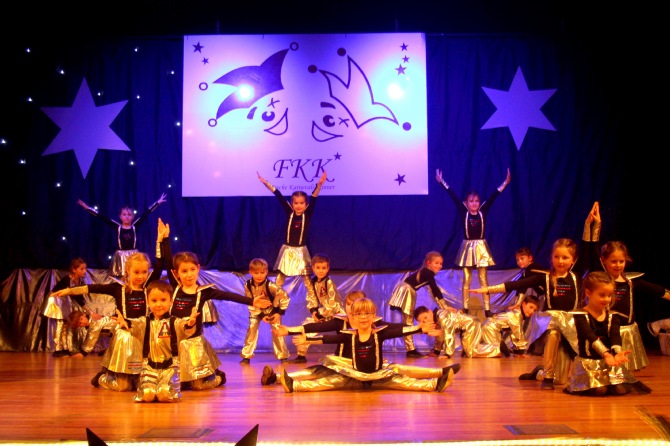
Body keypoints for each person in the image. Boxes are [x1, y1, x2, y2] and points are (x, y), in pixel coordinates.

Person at [472, 202, 599, 390]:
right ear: (552, 257)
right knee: (553, 334)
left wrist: (591, 226)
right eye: (556, 257)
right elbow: (516, 284)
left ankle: (539, 372)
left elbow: (588, 249)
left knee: (561, 381)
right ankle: (547, 376)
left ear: (573, 260)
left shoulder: (575, 275)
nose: (560, 261)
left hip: (572, 323)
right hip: (553, 321)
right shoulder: (545, 277)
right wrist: (488, 289)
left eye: (565, 257)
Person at [53, 219, 170, 391]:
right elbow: (93, 287)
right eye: (136, 272)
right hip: (125, 337)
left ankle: (137, 377)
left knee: (142, 384)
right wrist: (69, 291)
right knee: (122, 387)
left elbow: (159, 265)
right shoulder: (118, 288)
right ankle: (102, 378)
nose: (140, 276)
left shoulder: (148, 287)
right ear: (127, 271)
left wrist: (160, 240)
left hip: (144, 336)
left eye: (144, 272)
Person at [265, 290, 458, 387]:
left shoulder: (374, 325)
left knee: (398, 370)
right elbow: (316, 328)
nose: (352, 309)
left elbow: (395, 329)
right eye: (349, 305)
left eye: (357, 306)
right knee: (318, 372)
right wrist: (288, 331)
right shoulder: (340, 322)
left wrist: (419, 329)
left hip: (366, 365)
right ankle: (278, 378)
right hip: (341, 363)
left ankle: (439, 373)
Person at [164, 246, 272, 390]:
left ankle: (219, 377)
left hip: (193, 344)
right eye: (184, 271)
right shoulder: (175, 287)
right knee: (180, 385)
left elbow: (227, 295)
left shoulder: (203, 292)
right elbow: (167, 261)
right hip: (175, 342)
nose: (189, 274)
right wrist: (163, 240)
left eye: (192, 269)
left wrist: (251, 301)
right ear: (176, 273)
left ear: (198, 268)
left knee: (198, 386)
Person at [435, 167, 511, 317]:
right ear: (466, 203)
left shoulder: (482, 211)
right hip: (468, 247)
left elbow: (494, 195)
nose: (474, 203)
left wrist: (506, 182)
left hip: (481, 247)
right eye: (471, 201)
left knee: (483, 279)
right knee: (467, 279)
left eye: (477, 201)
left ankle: (487, 309)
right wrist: (441, 181)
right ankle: (466, 307)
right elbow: (452, 195)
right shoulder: (464, 211)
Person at [592, 239, 670, 371]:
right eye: (613, 261)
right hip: (608, 330)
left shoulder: (630, 280)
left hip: (627, 330)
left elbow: (657, 290)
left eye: (621, 261)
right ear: (603, 260)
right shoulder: (600, 280)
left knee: (626, 368)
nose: (618, 265)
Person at [116, 280, 198, 403]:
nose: (159, 304)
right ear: (148, 302)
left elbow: (185, 328)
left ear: (171, 302)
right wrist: (124, 323)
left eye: (163, 300)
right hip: (149, 368)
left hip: (170, 368)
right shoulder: (144, 322)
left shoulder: (174, 322)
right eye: (154, 301)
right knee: (147, 394)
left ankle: (163, 389)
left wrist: (190, 323)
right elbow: (133, 325)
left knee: (163, 394)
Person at [563, 271, 639, 396]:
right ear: (588, 293)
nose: (607, 299)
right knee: (600, 390)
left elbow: (615, 335)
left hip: (608, 362)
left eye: (609, 295)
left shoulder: (613, 316)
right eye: (602, 295)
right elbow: (590, 336)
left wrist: (617, 352)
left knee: (620, 390)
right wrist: (606, 354)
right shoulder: (580, 316)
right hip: (589, 363)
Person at [257, 171, 327, 291]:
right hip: (288, 250)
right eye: (296, 203)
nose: (298, 206)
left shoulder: (307, 214)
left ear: (306, 204)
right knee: (281, 276)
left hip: (301, 250)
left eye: (301, 203)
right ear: (292, 203)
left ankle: (312, 300)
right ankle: (275, 296)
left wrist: (319, 184)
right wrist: (265, 183)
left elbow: (314, 197)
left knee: (306, 278)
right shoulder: (290, 212)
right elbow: (278, 194)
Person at [77, 192, 167, 277]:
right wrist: (87, 208)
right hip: (121, 256)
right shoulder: (117, 227)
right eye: (124, 215)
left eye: (129, 215)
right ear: (120, 216)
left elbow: (145, 214)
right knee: (122, 275)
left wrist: (157, 203)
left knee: (133, 273)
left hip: (133, 255)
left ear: (133, 217)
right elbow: (102, 217)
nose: (127, 217)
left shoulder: (135, 226)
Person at [389, 251, 451, 358]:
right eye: (436, 263)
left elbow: (434, 292)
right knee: (408, 321)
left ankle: (410, 349)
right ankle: (410, 350)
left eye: (441, 263)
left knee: (408, 320)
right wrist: (445, 306)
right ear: (428, 263)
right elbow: (435, 290)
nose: (439, 266)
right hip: (407, 291)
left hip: (406, 290)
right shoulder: (428, 272)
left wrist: (442, 305)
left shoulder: (426, 273)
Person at [289, 253, 343, 364]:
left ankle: (343, 355)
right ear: (313, 268)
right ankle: (301, 356)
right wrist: (314, 312)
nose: (321, 270)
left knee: (343, 336)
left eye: (323, 268)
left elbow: (333, 303)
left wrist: (321, 315)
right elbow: (312, 298)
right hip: (322, 313)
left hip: (337, 314)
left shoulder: (328, 282)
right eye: (318, 268)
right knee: (305, 328)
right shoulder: (313, 282)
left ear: (328, 268)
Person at [42, 257, 96, 357]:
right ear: (74, 270)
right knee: (60, 324)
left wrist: (89, 311)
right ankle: (58, 349)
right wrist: (89, 311)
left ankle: (64, 348)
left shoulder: (79, 281)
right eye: (81, 269)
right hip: (56, 301)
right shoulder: (68, 280)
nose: (84, 271)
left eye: (85, 269)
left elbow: (79, 297)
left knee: (66, 325)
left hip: (64, 302)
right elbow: (76, 297)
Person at [240, 258, 290, 365]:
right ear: (250, 272)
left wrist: (279, 313)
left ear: (266, 272)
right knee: (252, 328)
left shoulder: (271, 286)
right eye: (256, 273)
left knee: (277, 329)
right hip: (256, 311)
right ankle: (246, 356)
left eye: (262, 273)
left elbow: (284, 297)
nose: (259, 275)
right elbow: (250, 301)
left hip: (272, 310)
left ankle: (283, 356)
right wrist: (261, 315)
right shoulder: (247, 285)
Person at [470, 294, 541, 358]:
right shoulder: (516, 315)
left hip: (491, 327)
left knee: (504, 353)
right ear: (523, 304)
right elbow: (518, 333)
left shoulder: (517, 313)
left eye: (534, 310)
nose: (532, 311)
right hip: (490, 328)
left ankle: (499, 347)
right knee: (495, 351)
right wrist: (520, 351)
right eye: (531, 307)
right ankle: (472, 351)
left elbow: (514, 333)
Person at [413, 304, 482, 358]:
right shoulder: (436, 321)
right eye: (423, 321)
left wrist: (448, 354)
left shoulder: (442, 316)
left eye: (425, 317)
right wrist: (436, 352)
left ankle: (489, 347)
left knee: (471, 352)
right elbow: (440, 336)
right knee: (467, 353)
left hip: (471, 324)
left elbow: (449, 331)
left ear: (430, 312)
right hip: (465, 329)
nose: (426, 321)